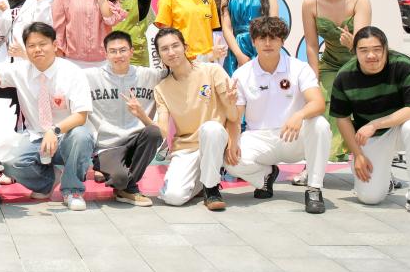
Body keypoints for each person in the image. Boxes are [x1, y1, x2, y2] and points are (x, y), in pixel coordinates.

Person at [0, 22, 95, 211]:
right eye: (32, 45)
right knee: (8, 159)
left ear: (55, 45)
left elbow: (81, 116)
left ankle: (73, 190)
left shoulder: (72, 72)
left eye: (42, 44)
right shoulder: (21, 70)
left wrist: (54, 130)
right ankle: (48, 181)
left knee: (81, 135)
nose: (37, 49)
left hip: (67, 135)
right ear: (26, 49)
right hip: (36, 136)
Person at [330, 27, 410, 218]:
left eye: (377, 49)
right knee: (370, 197)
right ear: (354, 51)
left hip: (401, 127)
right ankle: (384, 178)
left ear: (385, 49)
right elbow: (342, 119)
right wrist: (358, 155)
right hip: (372, 137)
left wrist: (375, 124)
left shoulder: (402, 64)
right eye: (363, 50)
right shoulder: (344, 76)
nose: (371, 55)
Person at [225, 16, 331, 214]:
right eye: (262, 38)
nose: (267, 43)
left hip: (294, 137)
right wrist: (232, 139)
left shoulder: (299, 68)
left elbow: (317, 103)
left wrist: (299, 115)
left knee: (320, 125)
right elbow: (235, 118)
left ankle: (314, 189)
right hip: (259, 139)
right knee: (229, 159)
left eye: (273, 38)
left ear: (282, 41)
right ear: (253, 41)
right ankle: (266, 174)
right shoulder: (242, 74)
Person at [153, 28, 240, 210]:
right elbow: (162, 128)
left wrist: (231, 102)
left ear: (185, 47)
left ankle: (211, 189)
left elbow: (233, 116)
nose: (171, 52)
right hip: (186, 148)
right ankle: (203, 180)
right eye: (165, 49)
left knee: (211, 128)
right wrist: (142, 118)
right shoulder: (161, 88)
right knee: (173, 197)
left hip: (215, 141)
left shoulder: (212, 71)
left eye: (175, 46)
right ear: (159, 55)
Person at [301, 0, 372, 161]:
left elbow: (364, 43)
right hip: (330, 62)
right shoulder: (310, 3)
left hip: (358, 62)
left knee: (360, 99)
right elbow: (311, 45)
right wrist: (314, 76)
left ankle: (366, 152)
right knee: (320, 98)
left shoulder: (360, 0)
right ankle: (320, 156)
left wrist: (353, 44)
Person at [83, 31, 161, 206]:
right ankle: (121, 181)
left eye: (123, 50)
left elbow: (176, 71)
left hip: (136, 142)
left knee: (154, 132)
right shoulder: (90, 77)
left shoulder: (149, 75)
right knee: (119, 177)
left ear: (132, 51)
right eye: (113, 51)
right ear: (105, 53)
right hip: (107, 147)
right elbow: (64, 76)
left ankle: (126, 187)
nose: (118, 55)